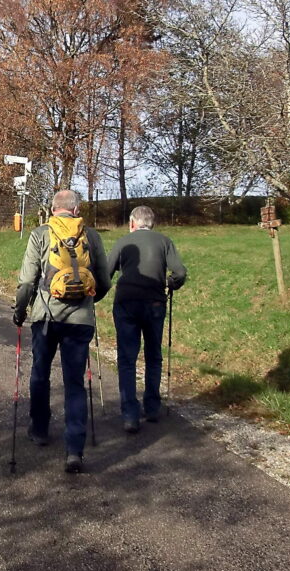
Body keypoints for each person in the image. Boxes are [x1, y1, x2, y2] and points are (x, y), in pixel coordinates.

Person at [14, 189, 111, 473]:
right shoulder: (91, 236)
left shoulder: (40, 234)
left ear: (52, 209)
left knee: (40, 374)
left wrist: (20, 312)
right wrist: (89, 300)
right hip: (80, 320)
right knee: (75, 383)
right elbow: (104, 280)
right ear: (77, 210)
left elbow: (27, 282)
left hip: (46, 317)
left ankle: (39, 429)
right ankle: (74, 450)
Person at [104, 205, 187, 433]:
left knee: (127, 359)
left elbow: (106, 273)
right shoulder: (164, 241)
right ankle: (152, 407)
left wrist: (94, 294)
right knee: (153, 356)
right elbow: (180, 272)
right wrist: (170, 284)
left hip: (127, 303)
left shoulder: (123, 242)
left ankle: (130, 414)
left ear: (132, 223)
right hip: (155, 303)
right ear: (152, 223)